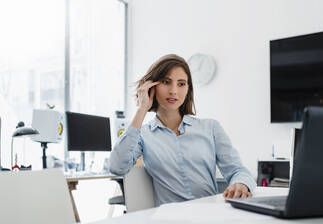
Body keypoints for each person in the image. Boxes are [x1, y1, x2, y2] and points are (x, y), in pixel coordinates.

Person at [109, 54, 256, 206]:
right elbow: (117, 167)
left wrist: (241, 184)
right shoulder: (143, 136)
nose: (174, 91)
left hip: (210, 215)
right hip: (171, 218)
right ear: (151, 86)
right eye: (166, 82)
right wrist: (142, 109)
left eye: (181, 84)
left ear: (188, 90)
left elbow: (238, 171)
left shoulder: (210, 128)